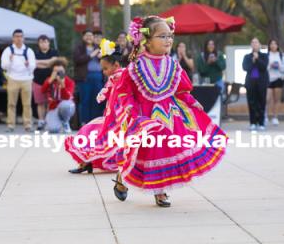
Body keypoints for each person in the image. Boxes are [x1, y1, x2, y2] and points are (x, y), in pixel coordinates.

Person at [112, 16, 227, 208]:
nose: (168, 40)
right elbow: (124, 91)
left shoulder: (173, 65)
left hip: (167, 117)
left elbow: (180, 90)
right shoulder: (135, 67)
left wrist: (191, 101)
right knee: (137, 152)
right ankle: (122, 177)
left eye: (170, 35)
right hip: (142, 117)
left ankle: (160, 189)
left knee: (161, 152)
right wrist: (131, 108)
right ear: (147, 41)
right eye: (162, 36)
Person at [65, 38, 123, 174]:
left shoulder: (122, 76)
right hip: (111, 116)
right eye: (102, 68)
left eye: (105, 68)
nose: (103, 71)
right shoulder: (114, 77)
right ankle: (86, 162)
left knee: (91, 132)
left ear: (115, 65)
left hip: (119, 118)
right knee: (88, 131)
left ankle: (86, 163)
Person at [1, 29, 36, 132]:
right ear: (13, 38)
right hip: (12, 78)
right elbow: (3, 66)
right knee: (11, 103)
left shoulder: (29, 51)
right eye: (16, 36)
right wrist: (10, 61)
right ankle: (11, 125)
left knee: (27, 104)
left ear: (23, 38)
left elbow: (33, 66)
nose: (18, 38)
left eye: (20, 36)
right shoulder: (8, 50)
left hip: (27, 79)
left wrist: (28, 65)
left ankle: (28, 125)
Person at [73, 29, 103, 125]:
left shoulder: (99, 47)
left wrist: (102, 56)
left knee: (97, 100)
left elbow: (107, 61)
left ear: (93, 38)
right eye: (87, 35)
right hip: (85, 77)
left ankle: (96, 122)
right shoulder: (79, 47)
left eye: (91, 36)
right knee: (85, 100)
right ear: (83, 37)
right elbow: (77, 60)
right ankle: (84, 122)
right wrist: (91, 55)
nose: (89, 37)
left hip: (98, 76)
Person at [41, 58, 75, 134]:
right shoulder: (49, 80)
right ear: (52, 72)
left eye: (60, 71)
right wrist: (50, 80)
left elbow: (67, 98)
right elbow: (42, 91)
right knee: (53, 130)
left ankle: (65, 122)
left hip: (66, 106)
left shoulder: (69, 81)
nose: (58, 73)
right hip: (53, 108)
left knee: (65, 105)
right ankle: (58, 123)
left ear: (64, 71)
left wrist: (62, 85)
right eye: (56, 71)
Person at [33, 34, 58, 130]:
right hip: (37, 81)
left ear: (49, 43)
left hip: (51, 81)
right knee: (40, 103)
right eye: (41, 42)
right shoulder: (35, 53)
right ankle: (41, 121)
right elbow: (34, 64)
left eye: (45, 41)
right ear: (38, 44)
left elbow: (54, 62)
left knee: (50, 102)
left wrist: (39, 62)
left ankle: (49, 121)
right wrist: (48, 63)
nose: (44, 44)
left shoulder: (54, 52)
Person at [243, 37, 269, 131]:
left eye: (256, 42)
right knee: (251, 102)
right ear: (251, 45)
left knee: (261, 102)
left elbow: (264, 67)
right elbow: (245, 68)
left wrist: (257, 59)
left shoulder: (264, 56)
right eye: (253, 42)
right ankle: (253, 122)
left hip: (261, 82)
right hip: (251, 82)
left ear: (259, 44)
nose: (254, 44)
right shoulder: (247, 56)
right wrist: (253, 61)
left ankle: (261, 122)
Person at [266, 39, 284, 126]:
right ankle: (265, 116)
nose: (273, 45)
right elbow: (263, 67)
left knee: (276, 99)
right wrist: (270, 65)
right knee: (267, 99)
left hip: (279, 78)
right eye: (271, 44)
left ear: (277, 46)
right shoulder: (266, 55)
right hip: (268, 79)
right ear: (269, 46)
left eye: (275, 44)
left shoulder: (282, 56)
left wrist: (278, 66)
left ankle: (275, 117)